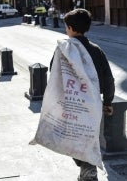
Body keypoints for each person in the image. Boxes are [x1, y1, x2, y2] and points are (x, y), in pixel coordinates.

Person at [51, 9, 115, 181]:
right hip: (92, 105)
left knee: (73, 139)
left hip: (70, 105)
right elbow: (108, 78)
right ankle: (87, 169)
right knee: (88, 137)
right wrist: (108, 101)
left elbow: (54, 76)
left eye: (66, 27)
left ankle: (88, 172)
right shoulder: (96, 50)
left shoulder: (63, 50)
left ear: (70, 28)